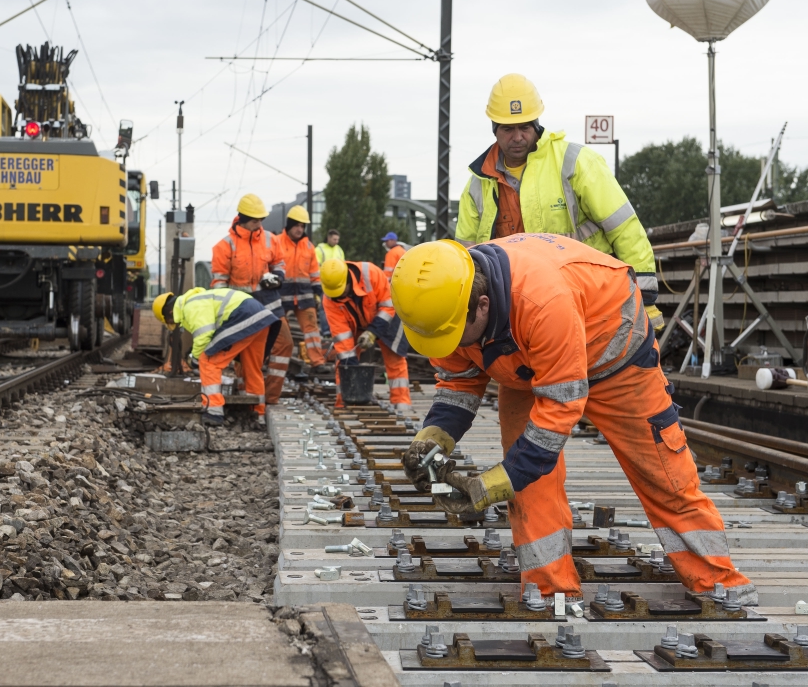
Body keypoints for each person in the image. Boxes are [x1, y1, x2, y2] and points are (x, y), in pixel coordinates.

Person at [391, 236, 756, 606]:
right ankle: (549, 593)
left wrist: (491, 485)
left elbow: (558, 413)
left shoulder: (542, 302)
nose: (446, 345)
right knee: (530, 486)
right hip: (528, 366)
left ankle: (717, 582)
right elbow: (458, 384)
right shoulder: (450, 301)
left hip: (616, 362)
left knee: (664, 474)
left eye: (450, 335)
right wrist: (431, 443)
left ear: (483, 305)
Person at [456, 73, 663, 333]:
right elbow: (467, 256)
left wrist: (645, 296)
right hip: (516, 308)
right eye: (508, 129)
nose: (517, 137)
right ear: (495, 129)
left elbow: (624, 228)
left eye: (525, 127)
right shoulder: (477, 185)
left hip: (589, 298)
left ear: (537, 125)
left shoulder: (575, 162)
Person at [211, 194, 291, 404]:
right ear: (244, 219)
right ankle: (246, 395)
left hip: (270, 304)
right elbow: (219, 283)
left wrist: (277, 278)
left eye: (261, 220)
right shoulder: (225, 246)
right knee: (244, 352)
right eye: (256, 221)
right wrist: (224, 312)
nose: (260, 225)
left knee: (284, 344)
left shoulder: (269, 239)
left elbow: (280, 264)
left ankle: (270, 396)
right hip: (242, 308)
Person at [152, 288, 278, 424]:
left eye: (171, 321)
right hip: (260, 317)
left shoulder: (190, 306)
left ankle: (214, 412)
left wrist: (194, 359)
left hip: (243, 315)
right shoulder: (198, 299)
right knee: (252, 368)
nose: (174, 324)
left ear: (169, 313)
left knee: (208, 361)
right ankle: (257, 415)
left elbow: (204, 336)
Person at [320, 258, 412, 414]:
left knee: (394, 356)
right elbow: (342, 337)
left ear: (348, 279)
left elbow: (389, 304)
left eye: (341, 291)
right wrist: (351, 367)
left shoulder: (371, 273)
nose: (339, 296)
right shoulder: (329, 299)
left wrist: (372, 332)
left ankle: (401, 404)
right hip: (355, 324)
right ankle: (345, 400)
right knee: (344, 362)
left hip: (385, 315)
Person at [273, 205, 328, 372]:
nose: (299, 229)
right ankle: (278, 360)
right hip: (282, 296)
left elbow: (314, 273)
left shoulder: (309, 247)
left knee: (312, 330)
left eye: (302, 226)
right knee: (280, 331)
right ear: (289, 225)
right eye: (296, 225)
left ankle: (317, 362)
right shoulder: (277, 243)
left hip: (304, 296)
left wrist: (319, 292)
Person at [315, 230, 344, 339]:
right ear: (328, 238)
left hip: (337, 284)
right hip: (324, 283)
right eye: (334, 239)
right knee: (324, 308)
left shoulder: (339, 250)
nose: (336, 241)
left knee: (337, 307)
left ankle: (335, 330)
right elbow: (315, 267)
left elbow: (343, 265)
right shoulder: (320, 249)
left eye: (337, 239)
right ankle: (326, 331)